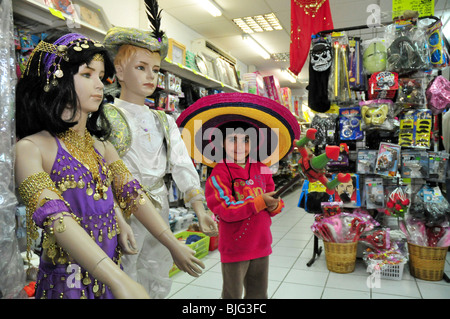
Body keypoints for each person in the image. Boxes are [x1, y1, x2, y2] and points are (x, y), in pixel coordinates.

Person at [14, 31, 202, 299]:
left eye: (101, 77)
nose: (100, 85)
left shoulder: (103, 147)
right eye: (87, 74)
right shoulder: (31, 148)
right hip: (68, 281)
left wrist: (172, 243)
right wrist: (119, 280)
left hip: (111, 269)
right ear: (57, 79)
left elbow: (134, 196)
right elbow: (57, 218)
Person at [102, 0, 217, 298]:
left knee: (158, 271)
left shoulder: (164, 120)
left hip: (160, 203)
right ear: (119, 69)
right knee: (122, 273)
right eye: (141, 67)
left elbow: (181, 164)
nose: (151, 76)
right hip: (121, 210)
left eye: (155, 69)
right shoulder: (105, 117)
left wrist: (198, 207)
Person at [176, 92, 301, 299]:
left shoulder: (261, 167)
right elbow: (226, 211)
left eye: (245, 140)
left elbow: (273, 199)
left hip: (262, 243)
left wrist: (274, 206)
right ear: (221, 143)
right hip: (235, 247)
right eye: (233, 139)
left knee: (259, 293)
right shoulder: (219, 174)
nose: (240, 146)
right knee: (232, 295)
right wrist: (260, 201)